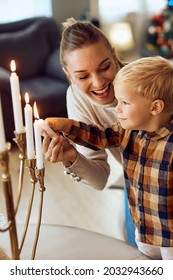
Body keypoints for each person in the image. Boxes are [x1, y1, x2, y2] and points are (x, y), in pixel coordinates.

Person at [44, 56, 173, 260]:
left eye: (124, 102)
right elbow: (99, 135)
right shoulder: (128, 131)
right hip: (145, 231)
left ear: (155, 107)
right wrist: (67, 126)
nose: (117, 109)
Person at [42, 17, 136, 246]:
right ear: (68, 74)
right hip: (136, 182)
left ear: (114, 55)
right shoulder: (76, 97)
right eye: (83, 76)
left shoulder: (145, 82)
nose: (98, 83)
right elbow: (99, 179)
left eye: (105, 67)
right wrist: (73, 157)